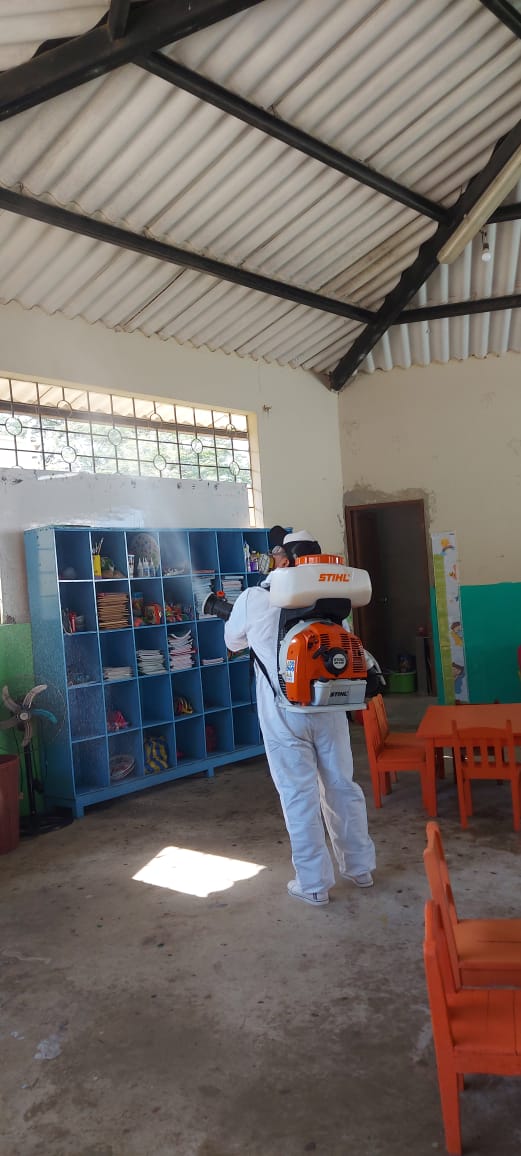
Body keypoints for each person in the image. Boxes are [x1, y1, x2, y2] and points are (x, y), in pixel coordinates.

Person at [224, 528, 376, 906]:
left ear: (282, 559)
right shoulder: (331, 599)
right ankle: (360, 868)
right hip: (328, 705)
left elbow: (232, 641)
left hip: (283, 713)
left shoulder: (254, 597)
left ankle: (313, 884)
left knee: (298, 793)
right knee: (341, 786)